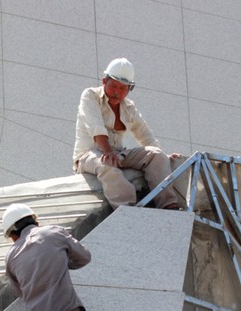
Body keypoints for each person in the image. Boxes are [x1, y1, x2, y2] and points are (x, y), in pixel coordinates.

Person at [73, 57, 181, 210]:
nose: (117, 92)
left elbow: (144, 134)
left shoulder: (129, 107)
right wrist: (107, 151)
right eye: (113, 86)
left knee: (155, 155)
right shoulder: (90, 95)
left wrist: (164, 156)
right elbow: (95, 126)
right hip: (89, 155)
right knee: (107, 165)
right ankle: (128, 210)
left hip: (117, 154)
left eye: (123, 88)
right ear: (104, 81)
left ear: (130, 89)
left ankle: (169, 206)